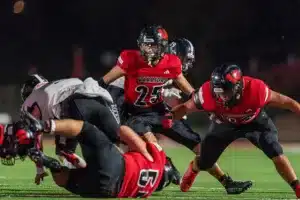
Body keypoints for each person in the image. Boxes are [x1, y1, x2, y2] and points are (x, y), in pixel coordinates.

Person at [100, 28, 252, 194]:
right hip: (135, 115)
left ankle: (226, 181)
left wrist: (207, 106)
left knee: (198, 145)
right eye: (146, 45)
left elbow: (189, 90)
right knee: (152, 148)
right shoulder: (130, 59)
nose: (148, 50)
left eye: (153, 46)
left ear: (163, 46)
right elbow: (104, 82)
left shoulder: (171, 62)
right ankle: (164, 167)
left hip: (160, 111)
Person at [171, 64, 300, 197]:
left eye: (225, 91)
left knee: (275, 151)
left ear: (238, 87)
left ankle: (297, 186)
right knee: (205, 161)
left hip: (254, 123)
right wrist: (169, 117)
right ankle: (194, 168)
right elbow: (185, 107)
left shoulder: (256, 90)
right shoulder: (206, 93)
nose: (222, 97)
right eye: (218, 92)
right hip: (224, 124)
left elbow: (288, 103)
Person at [22, 110, 176, 198]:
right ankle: (51, 164)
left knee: (87, 129)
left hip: (117, 167)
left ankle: (42, 125)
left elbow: (124, 130)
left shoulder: (157, 159)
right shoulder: (147, 191)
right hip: (108, 190)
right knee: (65, 180)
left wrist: (140, 142)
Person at [21, 75, 118, 183]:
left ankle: (89, 178)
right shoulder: (58, 83)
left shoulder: (31, 101)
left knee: (67, 150)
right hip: (100, 96)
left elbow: (35, 137)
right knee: (118, 139)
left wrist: (39, 169)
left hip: (75, 105)